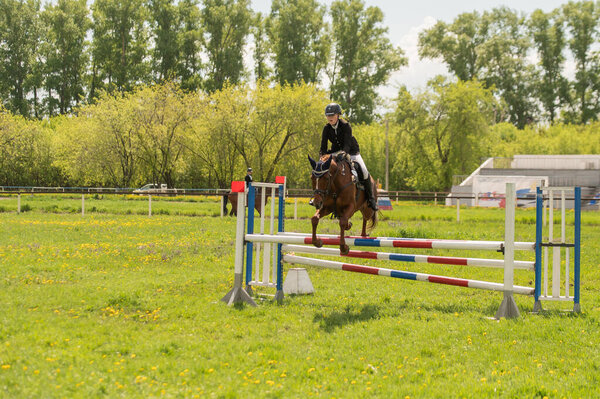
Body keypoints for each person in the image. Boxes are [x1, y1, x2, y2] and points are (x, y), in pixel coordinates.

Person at [319, 103, 378, 211]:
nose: (330, 117)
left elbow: (347, 144)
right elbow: (323, 146)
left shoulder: (346, 126)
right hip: (335, 152)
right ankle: (321, 198)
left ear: (338, 115)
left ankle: (371, 199)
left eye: (332, 115)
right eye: (328, 115)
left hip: (352, 151)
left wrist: (344, 153)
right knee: (321, 171)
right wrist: (322, 158)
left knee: (364, 171)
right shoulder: (326, 128)